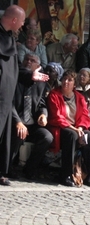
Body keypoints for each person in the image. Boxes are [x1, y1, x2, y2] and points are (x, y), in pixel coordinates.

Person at [47, 70, 90, 187]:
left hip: (77, 127)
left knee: (89, 136)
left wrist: (79, 128)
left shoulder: (79, 97)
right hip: (61, 128)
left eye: (69, 80)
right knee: (71, 135)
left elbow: (85, 115)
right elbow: (57, 116)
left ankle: (89, 174)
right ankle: (66, 174)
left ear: (74, 84)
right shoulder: (54, 95)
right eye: (64, 79)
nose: (66, 82)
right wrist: (75, 130)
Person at [10, 53, 53, 180]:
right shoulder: (15, 79)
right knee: (18, 134)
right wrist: (18, 122)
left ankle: (30, 169)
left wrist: (43, 115)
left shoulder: (41, 83)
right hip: (15, 121)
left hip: (32, 123)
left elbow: (42, 103)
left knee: (47, 137)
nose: (28, 62)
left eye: (32, 60)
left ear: (38, 66)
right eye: (26, 59)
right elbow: (9, 103)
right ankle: (8, 168)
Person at [0, 5, 26, 186]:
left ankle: (1, 171)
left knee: (5, 135)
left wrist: (30, 75)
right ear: (14, 20)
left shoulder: (9, 36)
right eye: (22, 21)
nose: (23, 25)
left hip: (6, 97)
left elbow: (13, 68)